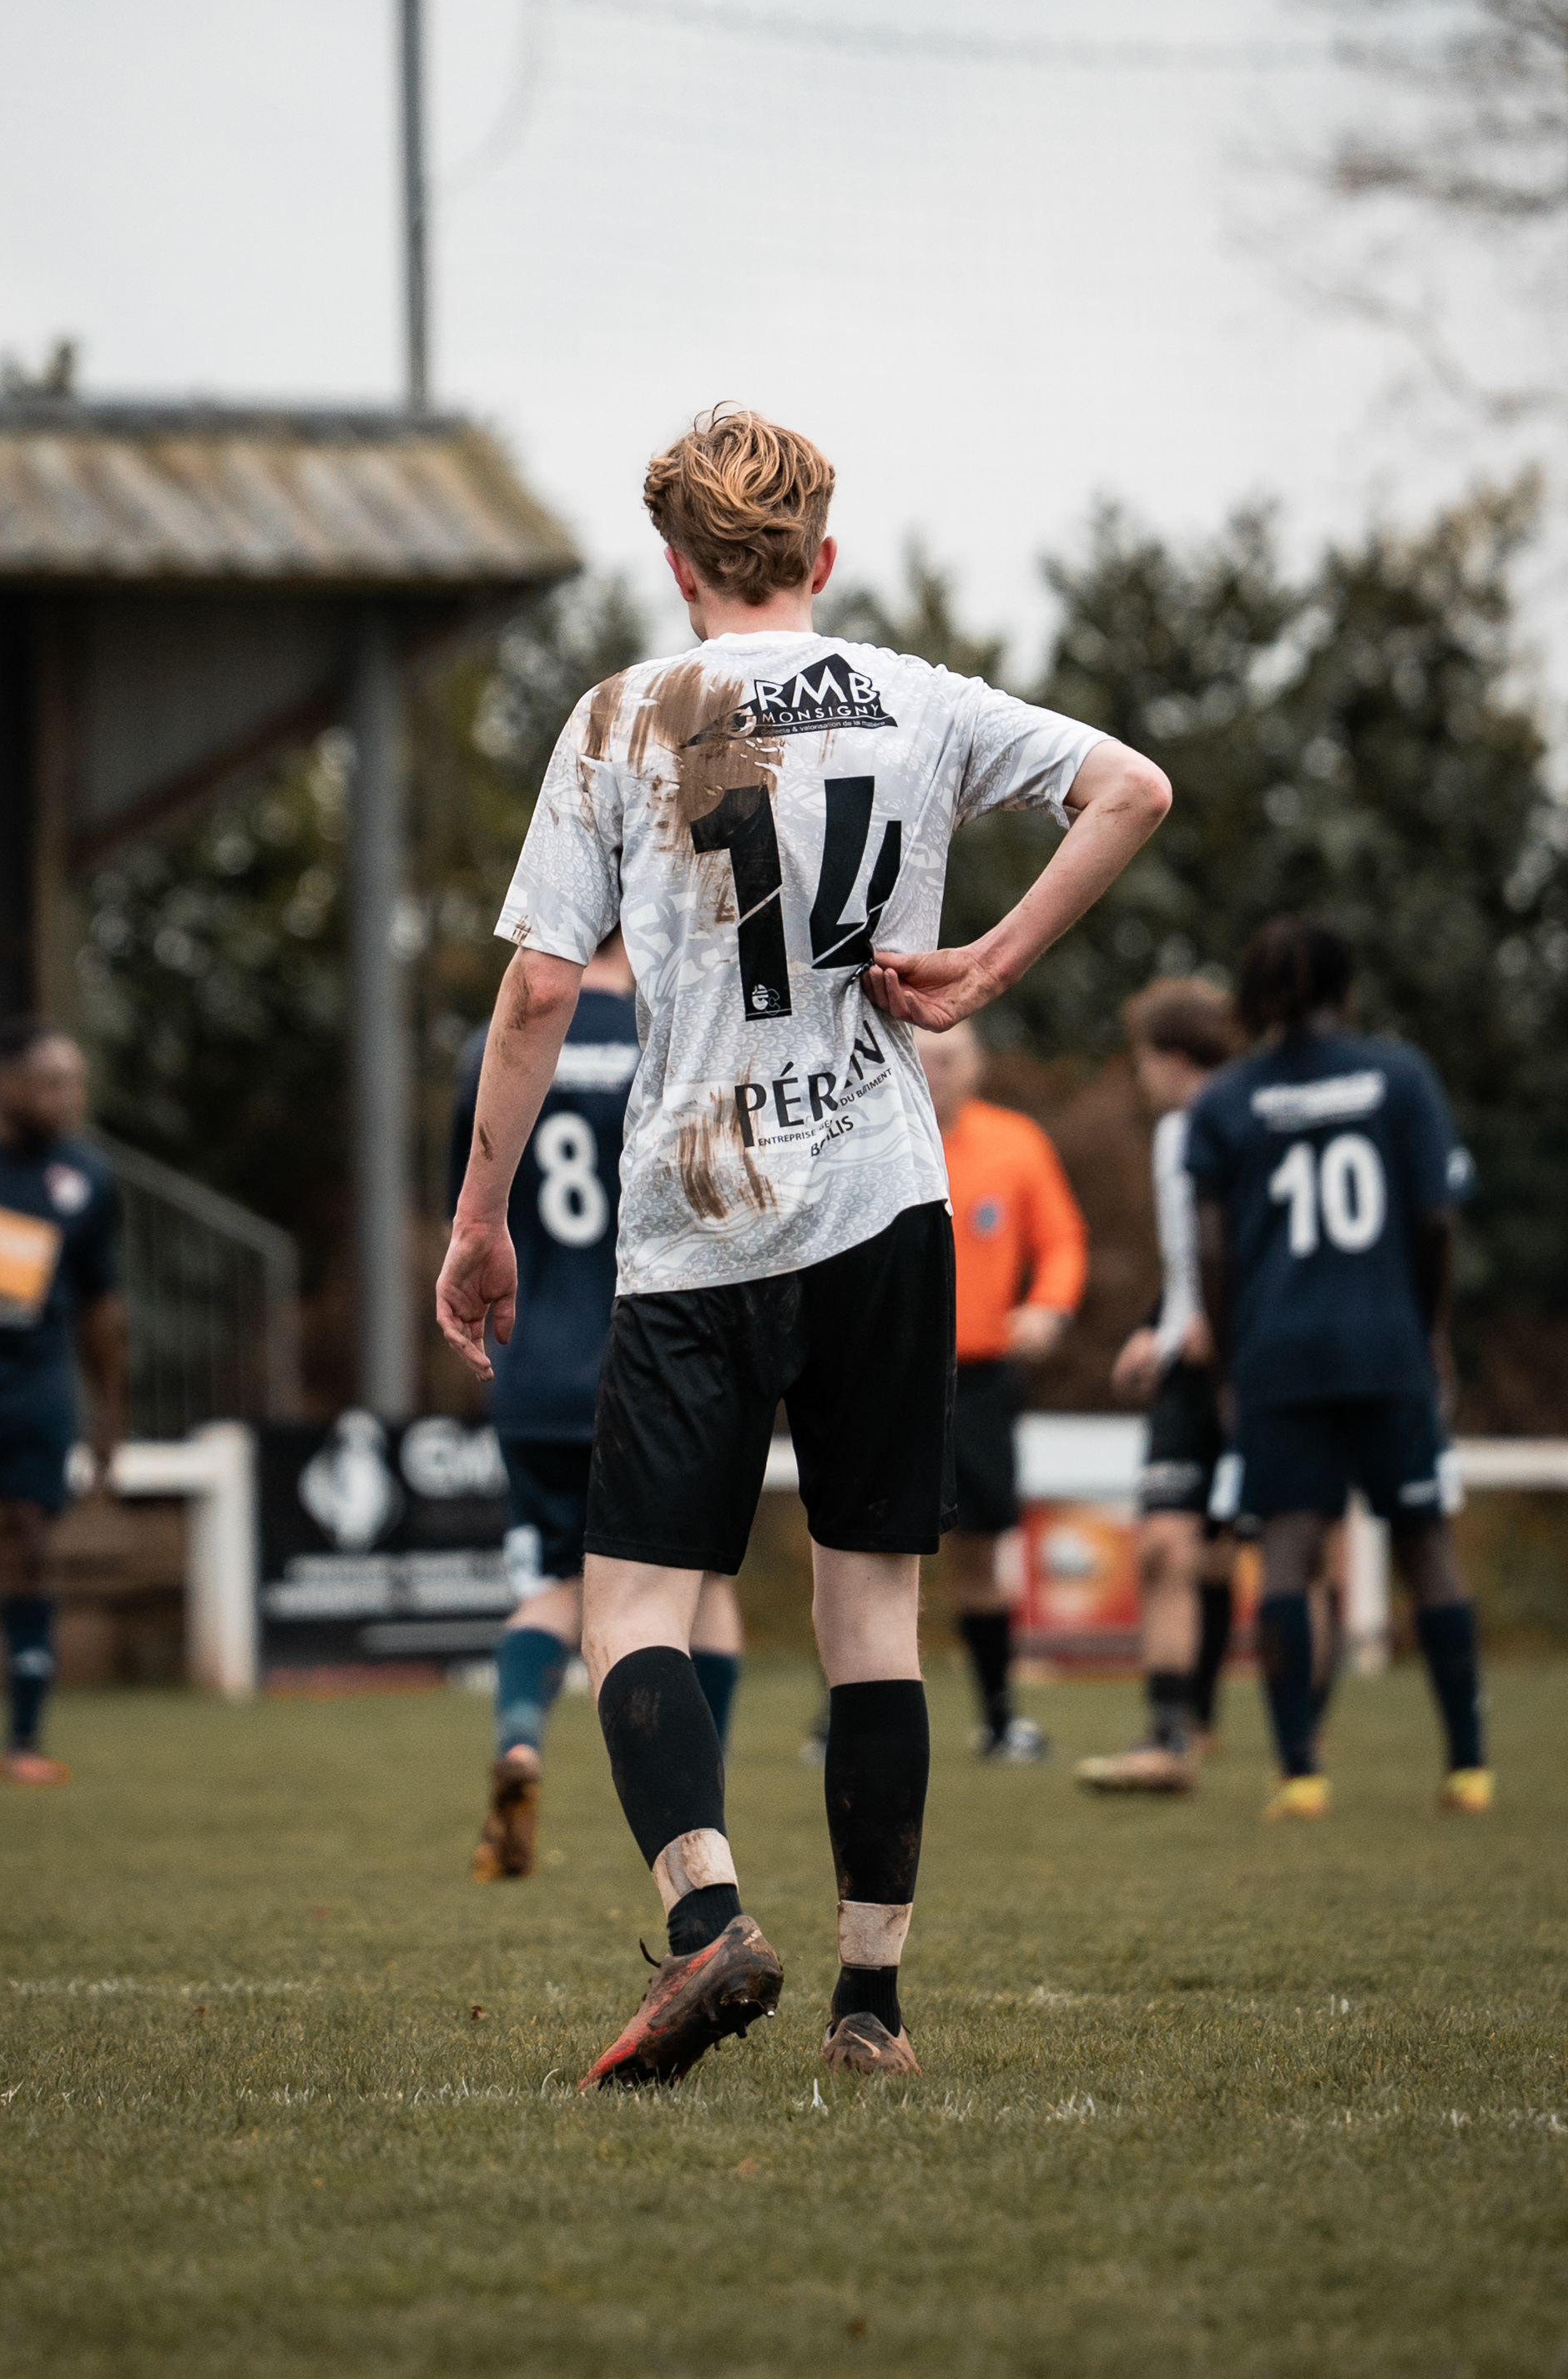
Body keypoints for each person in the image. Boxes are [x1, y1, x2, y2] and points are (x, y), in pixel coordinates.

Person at [436, 407, 1170, 2088]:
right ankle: (872, 2008)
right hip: (885, 1206)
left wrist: (480, 1220)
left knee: (631, 1601)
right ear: (822, 558)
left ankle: (708, 1919)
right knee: (872, 1616)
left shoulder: (624, 715)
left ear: (675, 566)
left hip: (698, 1216)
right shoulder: (918, 697)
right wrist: (987, 963)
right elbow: (1132, 788)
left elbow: (540, 988)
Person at [447, 932, 744, 1880]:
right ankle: (699, 1799)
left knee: (552, 1580)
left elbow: (472, 1207)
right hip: (653, 1354)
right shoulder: (671, 1030)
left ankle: (520, 1739)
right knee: (702, 1588)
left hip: (531, 1360)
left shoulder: (496, 1044)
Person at [1187, 915, 1488, 1821]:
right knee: (1424, 1541)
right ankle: (1468, 1769)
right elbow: (1436, 1218)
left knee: (1286, 1549)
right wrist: (1429, 1330)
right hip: (1386, 1344)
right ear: (1345, 988)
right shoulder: (1400, 1076)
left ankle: (1300, 1775)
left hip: (1277, 1352)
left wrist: (1229, 1360)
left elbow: (1212, 1249)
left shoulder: (1227, 1099)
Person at [1076, 977, 1239, 1794]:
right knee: (1165, 1547)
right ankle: (1168, 1733)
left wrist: (1227, 1318)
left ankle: (1296, 1744)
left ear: (1171, 1058)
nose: (1139, 1076)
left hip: (1254, 1368)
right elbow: (1188, 1258)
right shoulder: (1174, 1135)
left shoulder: (1251, 1119)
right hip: (1185, 1370)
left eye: (1142, 1059)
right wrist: (1158, 1323)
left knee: (1253, 1553)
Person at [914, 1021, 1087, 1760]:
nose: (940, 1071)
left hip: (980, 1380)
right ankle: (845, 1722)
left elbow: (1062, 1241)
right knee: (865, 1550)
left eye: (953, 1057)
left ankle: (998, 1718)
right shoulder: (873, 1137)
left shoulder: (1016, 1144)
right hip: (888, 1375)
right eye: (927, 1057)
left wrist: (1047, 1307)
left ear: (977, 1065)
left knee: (981, 1552)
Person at [0, 1020, 125, 1785]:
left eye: (75, 1083)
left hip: (33, 1388)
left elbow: (102, 1304)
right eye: (52, 1082)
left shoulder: (85, 1178)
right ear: (7, 1083)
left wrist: (109, 1412)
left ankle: (23, 1740)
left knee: (30, 1541)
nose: (68, 1098)